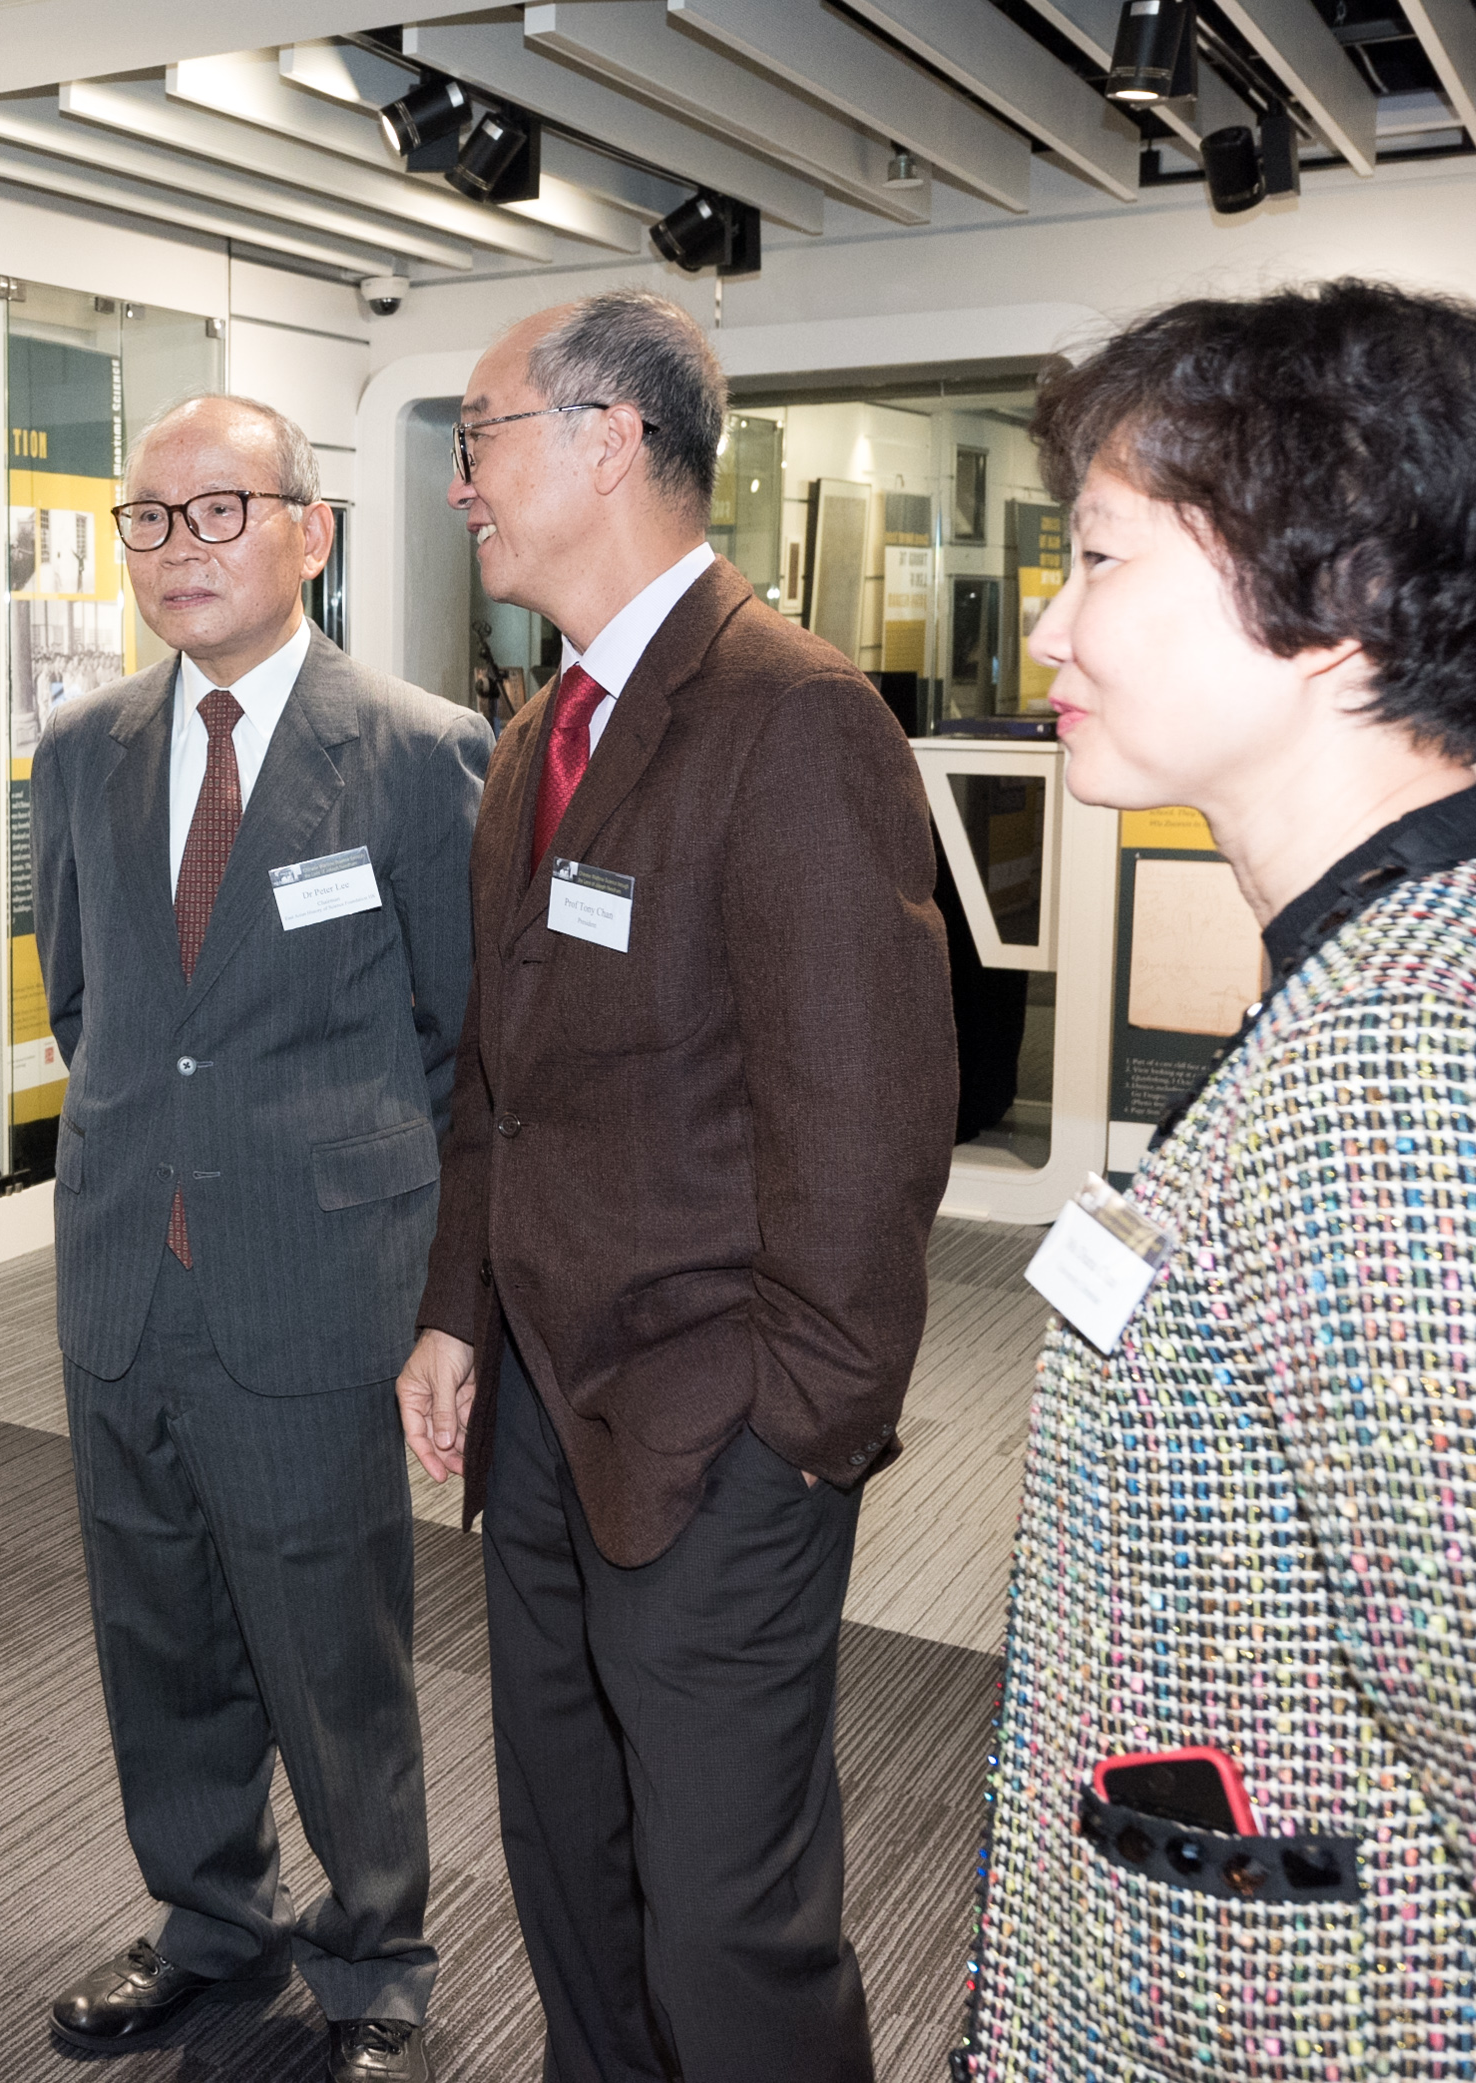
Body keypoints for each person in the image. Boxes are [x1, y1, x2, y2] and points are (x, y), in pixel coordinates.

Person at [962, 281, 1476, 2075]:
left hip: (1330, 2011)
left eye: (1102, 557)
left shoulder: (1427, 1062)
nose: (1050, 618)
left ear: (1335, 605)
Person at [397, 291, 951, 2083]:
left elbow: (866, 1133)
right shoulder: (531, 740)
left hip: (720, 1434)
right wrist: (448, 1315)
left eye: (477, 436)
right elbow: (502, 1085)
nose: (461, 486)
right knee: (572, 1866)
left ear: (605, 439)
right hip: (546, 1419)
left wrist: (798, 1430)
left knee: (728, 1921)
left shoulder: (789, 718)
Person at [28, 396, 491, 2081]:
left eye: (217, 512)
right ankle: (207, 1918)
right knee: (155, 1629)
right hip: (121, 1276)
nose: (178, 550)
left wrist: (435, 1284)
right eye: (147, 520)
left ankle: (375, 1957)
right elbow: (90, 1004)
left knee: (328, 1643)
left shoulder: (420, 749)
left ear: (312, 529)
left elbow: (460, 1040)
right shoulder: (81, 752)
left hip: (314, 1283)